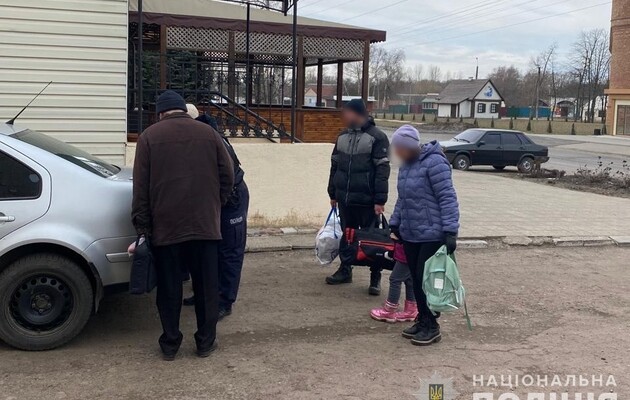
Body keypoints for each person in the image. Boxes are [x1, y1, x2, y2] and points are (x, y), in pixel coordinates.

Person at [132, 91, 234, 360]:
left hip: (167, 227)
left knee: (169, 289)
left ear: (159, 113)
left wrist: (143, 227)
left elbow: (140, 189)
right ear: (183, 110)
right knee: (206, 287)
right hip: (205, 226)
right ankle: (205, 342)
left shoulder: (149, 138)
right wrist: (216, 204)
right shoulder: (209, 134)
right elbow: (228, 175)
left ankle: (170, 343)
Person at [389, 125, 459, 346]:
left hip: (432, 233)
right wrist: (395, 224)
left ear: (408, 146)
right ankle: (423, 319)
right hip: (410, 232)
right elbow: (403, 198)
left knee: (426, 280)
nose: (395, 152)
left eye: (398, 147)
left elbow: (447, 197)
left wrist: (450, 231)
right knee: (416, 279)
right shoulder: (406, 166)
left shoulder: (435, 162)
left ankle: (432, 326)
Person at [183, 105, 250, 321]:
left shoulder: (213, 140)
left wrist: (218, 201)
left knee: (229, 251)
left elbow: (227, 176)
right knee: (206, 249)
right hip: (213, 201)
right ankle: (205, 293)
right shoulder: (194, 139)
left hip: (231, 199)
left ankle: (225, 300)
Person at [327, 99, 391, 295]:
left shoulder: (377, 137)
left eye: (347, 112)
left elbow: (382, 170)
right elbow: (335, 165)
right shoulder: (342, 136)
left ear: (357, 113)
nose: (344, 116)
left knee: (373, 239)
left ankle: (375, 277)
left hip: (368, 201)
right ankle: (345, 270)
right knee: (347, 237)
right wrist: (332, 192)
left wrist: (380, 200)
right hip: (345, 199)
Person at [369, 242, 417, 323]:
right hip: (412, 250)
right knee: (410, 279)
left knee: (395, 279)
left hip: (407, 250)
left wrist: (396, 233)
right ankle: (411, 309)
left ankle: (389, 310)